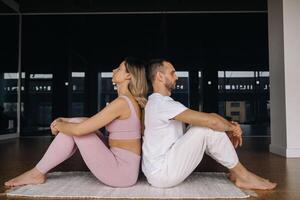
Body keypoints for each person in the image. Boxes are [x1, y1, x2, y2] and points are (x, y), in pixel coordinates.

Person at [4, 57, 148, 188]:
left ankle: (37, 172)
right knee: (76, 125)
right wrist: (64, 121)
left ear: (128, 76)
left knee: (76, 129)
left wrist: (59, 125)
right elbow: (92, 121)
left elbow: (79, 130)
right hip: (124, 170)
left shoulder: (122, 102)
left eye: (119, 68)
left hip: (120, 174)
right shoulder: (127, 101)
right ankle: (37, 172)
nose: (113, 70)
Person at [142, 59, 277, 190]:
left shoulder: (160, 103)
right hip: (162, 173)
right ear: (160, 76)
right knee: (205, 128)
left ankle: (238, 173)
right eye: (172, 73)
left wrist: (228, 126)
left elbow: (208, 119)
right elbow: (211, 121)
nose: (176, 77)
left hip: (160, 170)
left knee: (202, 126)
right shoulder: (161, 104)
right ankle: (243, 175)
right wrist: (232, 128)